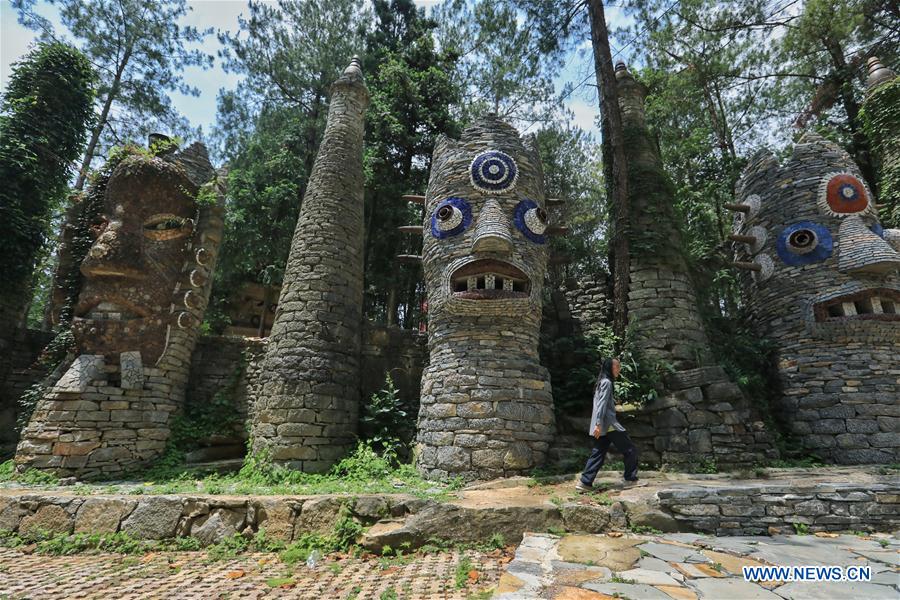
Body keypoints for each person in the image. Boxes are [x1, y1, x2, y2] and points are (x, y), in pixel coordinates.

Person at [576, 357, 640, 492]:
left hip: (602, 426)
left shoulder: (601, 382)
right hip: (609, 425)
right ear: (609, 368)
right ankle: (630, 479)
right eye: (617, 366)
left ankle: (585, 483)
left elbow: (600, 405)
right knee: (630, 450)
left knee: (598, 453)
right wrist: (598, 424)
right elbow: (601, 405)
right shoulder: (607, 382)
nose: (619, 369)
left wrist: (598, 424)